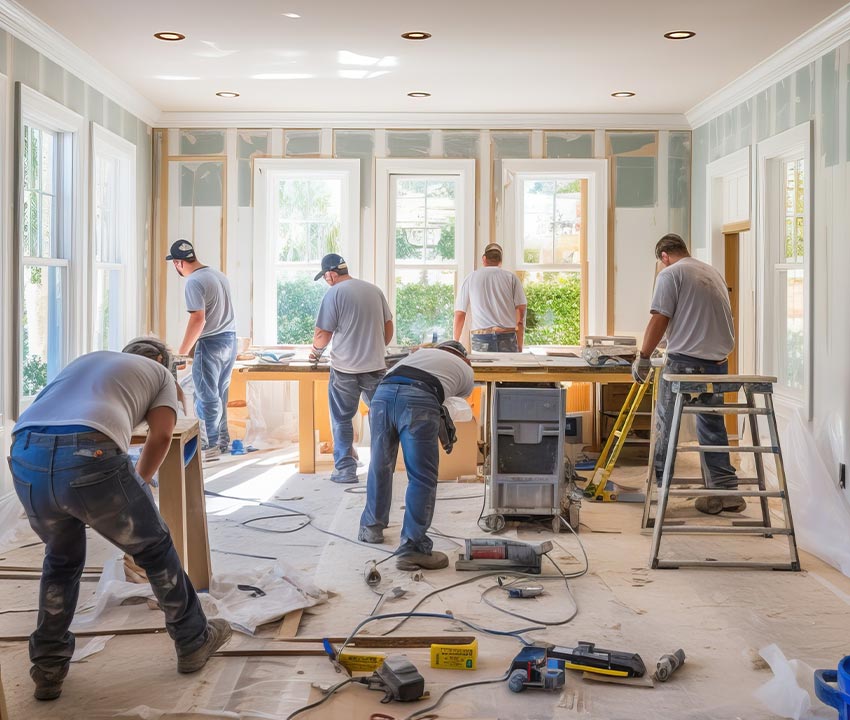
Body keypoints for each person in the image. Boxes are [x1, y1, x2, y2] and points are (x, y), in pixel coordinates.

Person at [8, 338, 231, 701]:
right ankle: (193, 640)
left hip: (25, 452)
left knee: (61, 561)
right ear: (163, 360)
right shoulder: (160, 374)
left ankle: (48, 668)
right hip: (88, 451)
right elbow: (161, 436)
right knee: (155, 547)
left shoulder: (89, 359)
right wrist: (137, 487)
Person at [632, 233, 742, 515]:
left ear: (664, 257)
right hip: (717, 362)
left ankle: (660, 493)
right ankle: (725, 489)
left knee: (666, 426)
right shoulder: (710, 271)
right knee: (712, 424)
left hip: (685, 364)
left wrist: (643, 356)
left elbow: (659, 318)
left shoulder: (670, 274)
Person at [358, 341, 475, 570]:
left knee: (380, 465)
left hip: (382, 395)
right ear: (465, 359)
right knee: (421, 476)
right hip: (419, 399)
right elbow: (454, 400)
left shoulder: (419, 354)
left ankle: (371, 528)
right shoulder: (466, 369)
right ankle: (413, 547)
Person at [309, 253, 394, 483]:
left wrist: (315, 353)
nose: (326, 281)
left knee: (342, 418)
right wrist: (375, 348)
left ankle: (346, 470)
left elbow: (322, 334)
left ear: (331, 274)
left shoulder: (334, 293)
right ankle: (382, 469)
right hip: (375, 367)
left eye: (325, 276)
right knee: (381, 416)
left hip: (345, 368)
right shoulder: (374, 290)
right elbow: (388, 327)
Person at [167, 239, 237, 461]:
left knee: (206, 397)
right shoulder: (218, 275)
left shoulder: (194, 281)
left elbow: (198, 319)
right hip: (230, 340)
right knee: (220, 394)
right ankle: (223, 440)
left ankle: (211, 445)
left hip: (210, 343)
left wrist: (181, 352)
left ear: (178, 263)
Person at [454, 243, 527, 352]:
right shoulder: (511, 278)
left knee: (483, 369)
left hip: (481, 338)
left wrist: (455, 343)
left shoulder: (471, 278)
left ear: (484, 259)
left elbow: (460, 314)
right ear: (500, 261)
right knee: (508, 369)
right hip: (507, 337)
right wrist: (520, 345)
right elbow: (520, 315)